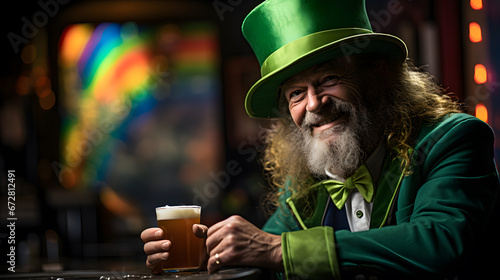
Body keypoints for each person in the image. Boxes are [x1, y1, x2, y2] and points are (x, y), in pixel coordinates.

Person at [141, 0, 500, 279]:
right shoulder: (306, 181)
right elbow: (263, 257)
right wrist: (213, 254)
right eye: (296, 93)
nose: (314, 105)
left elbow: (438, 243)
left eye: (328, 79)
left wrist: (279, 251)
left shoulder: (454, 139)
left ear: (377, 75)